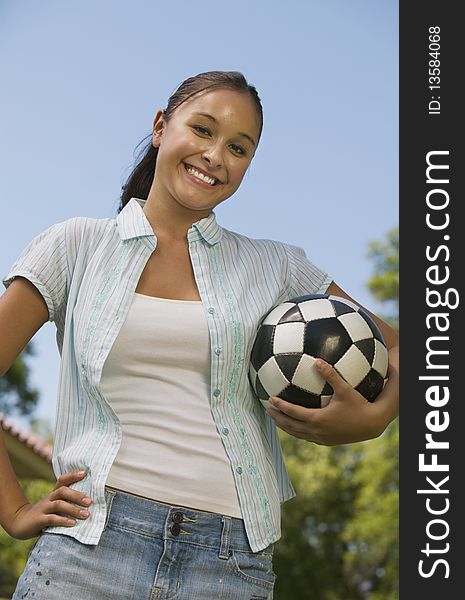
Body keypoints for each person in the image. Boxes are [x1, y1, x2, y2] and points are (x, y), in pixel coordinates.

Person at [0, 70, 399, 599]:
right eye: (203, 130)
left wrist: (379, 415)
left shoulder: (276, 267)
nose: (216, 156)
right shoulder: (75, 245)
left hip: (229, 562)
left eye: (239, 147)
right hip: (88, 551)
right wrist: (14, 511)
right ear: (162, 126)